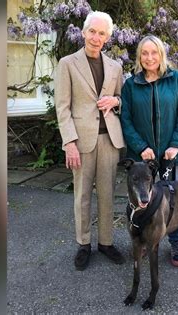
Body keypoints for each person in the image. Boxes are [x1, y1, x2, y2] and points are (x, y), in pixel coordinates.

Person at [54, 11, 125, 271]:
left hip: (110, 140)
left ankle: (106, 242)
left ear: (107, 37)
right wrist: (69, 142)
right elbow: (62, 107)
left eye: (102, 33)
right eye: (92, 32)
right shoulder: (68, 64)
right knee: (82, 196)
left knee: (107, 195)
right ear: (84, 32)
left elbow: (122, 99)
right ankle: (83, 243)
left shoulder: (116, 67)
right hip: (81, 141)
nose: (96, 38)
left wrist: (116, 101)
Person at [120, 35, 178, 267]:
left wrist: (176, 144)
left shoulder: (176, 79)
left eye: (154, 52)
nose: (149, 57)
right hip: (143, 159)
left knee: (172, 202)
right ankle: (143, 242)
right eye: (144, 53)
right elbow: (126, 120)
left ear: (161, 55)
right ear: (139, 57)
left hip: (171, 156)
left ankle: (176, 241)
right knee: (142, 200)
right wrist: (141, 147)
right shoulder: (131, 85)